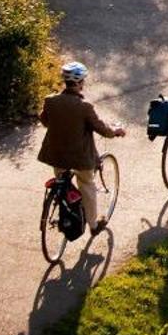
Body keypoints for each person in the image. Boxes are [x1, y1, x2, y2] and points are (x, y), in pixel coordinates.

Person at [37, 61, 124, 235]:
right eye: (83, 80)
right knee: (87, 185)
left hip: (56, 155)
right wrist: (116, 131)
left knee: (63, 184)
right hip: (80, 158)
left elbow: (45, 121)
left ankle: (66, 211)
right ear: (79, 83)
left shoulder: (50, 101)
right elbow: (103, 129)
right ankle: (93, 225)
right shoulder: (85, 107)